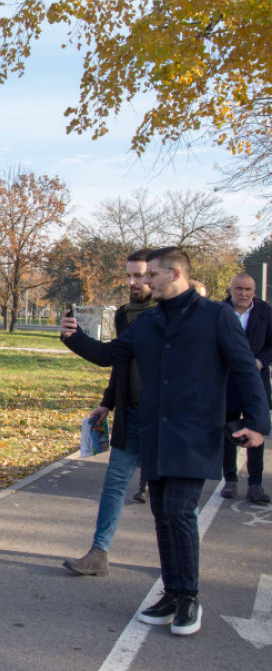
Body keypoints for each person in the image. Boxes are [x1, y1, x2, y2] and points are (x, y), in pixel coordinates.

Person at [60, 246, 270, 636]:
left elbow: (245, 369)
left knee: (178, 512)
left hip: (195, 433)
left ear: (175, 274)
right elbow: (109, 355)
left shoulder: (216, 315)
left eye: (149, 276)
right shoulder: (149, 322)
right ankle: (173, 593)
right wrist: (74, 337)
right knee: (162, 515)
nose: (142, 283)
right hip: (154, 431)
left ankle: (189, 597)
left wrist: (257, 422)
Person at [63, 250, 155, 577]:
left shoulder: (165, 316)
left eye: (140, 276)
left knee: (169, 498)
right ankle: (98, 554)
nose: (133, 282)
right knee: (114, 485)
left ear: (156, 275)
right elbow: (119, 361)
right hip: (129, 415)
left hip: (162, 421)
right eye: (129, 275)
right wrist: (108, 402)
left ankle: (181, 562)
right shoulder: (124, 314)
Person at [220, 273, 272, 503]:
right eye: (239, 289)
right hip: (226, 381)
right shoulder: (218, 311)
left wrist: (260, 361)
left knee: (255, 431)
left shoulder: (266, 313)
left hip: (255, 381)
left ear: (254, 291)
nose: (243, 293)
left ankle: (255, 484)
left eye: (248, 289)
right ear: (231, 289)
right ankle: (230, 480)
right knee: (228, 431)